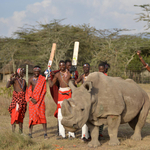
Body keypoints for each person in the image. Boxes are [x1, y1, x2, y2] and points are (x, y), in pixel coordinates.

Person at [48, 60, 75, 139]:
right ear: (59, 66)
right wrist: (48, 77)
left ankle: (71, 134)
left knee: (70, 113)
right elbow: (51, 84)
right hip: (61, 94)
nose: (62, 67)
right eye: (60, 66)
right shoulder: (57, 75)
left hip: (69, 93)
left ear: (65, 66)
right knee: (60, 115)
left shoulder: (70, 73)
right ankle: (62, 134)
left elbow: (74, 82)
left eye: (63, 65)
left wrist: (72, 75)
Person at [26, 66, 48, 139]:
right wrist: (31, 99)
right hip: (32, 101)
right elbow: (28, 90)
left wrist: (39, 99)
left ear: (39, 71)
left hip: (40, 101)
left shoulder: (42, 79)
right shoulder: (30, 79)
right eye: (35, 71)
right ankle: (30, 133)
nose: (36, 72)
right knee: (32, 117)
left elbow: (44, 90)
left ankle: (45, 134)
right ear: (33, 71)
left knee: (42, 116)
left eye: (37, 71)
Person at [7, 68, 27, 134]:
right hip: (16, 101)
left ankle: (20, 133)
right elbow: (7, 86)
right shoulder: (14, 80)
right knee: (14, 116)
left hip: (23, 101)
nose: (23, 74)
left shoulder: (24, 81)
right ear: (18, 73)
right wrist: (11, 77)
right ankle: (13, 133)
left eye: (24, 72)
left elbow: (26, 91)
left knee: (21, 116)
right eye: (22, 72)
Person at [75, 63, 90, 141]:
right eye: (84, 67)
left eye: (87, 67)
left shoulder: (92, 76)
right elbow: (75, 82)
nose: (85, 69)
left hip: (91, 97)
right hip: (83, 98)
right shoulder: (82, 76)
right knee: (84, 116)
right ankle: (84, 135)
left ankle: (89, 135)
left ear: (89, 68)